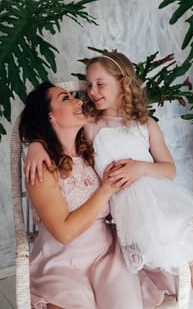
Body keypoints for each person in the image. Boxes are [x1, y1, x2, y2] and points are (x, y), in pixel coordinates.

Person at [25, 53, 193, 309]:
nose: (87, 95)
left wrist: (141, 167)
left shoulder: (137, 127)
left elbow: (168, 169)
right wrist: (35, 143)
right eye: (87, 86)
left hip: (154, 202)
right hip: (121, 217)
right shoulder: (89, 129)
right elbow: (49, 130)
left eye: (99, 84)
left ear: (122, 83)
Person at [19, 81, 169, 309]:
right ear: (50, 117)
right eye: (65, 98)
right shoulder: (42, 166)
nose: (79, 101)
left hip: (107, 256)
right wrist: (106, 188)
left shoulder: (94, 149)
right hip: (61, 262)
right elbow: (65, 232)